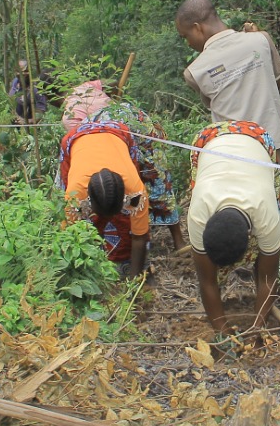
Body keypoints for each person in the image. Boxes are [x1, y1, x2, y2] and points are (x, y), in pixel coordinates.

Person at [176, 0, 280, 240]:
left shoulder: (194, 71)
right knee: (269, 198)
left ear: (198, 28)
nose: (188, 42)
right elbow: (277, 79)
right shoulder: (260, 40)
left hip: (232, 154)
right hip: (272, 145)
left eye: (186, 36)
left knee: (246, 203)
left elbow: (215, 99)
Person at [186, 120, 280, 344]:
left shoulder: (267, 216)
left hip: (258, 137)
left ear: (251, 235)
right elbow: (207, 281)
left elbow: (270, 279)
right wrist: (222, 329)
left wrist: (258, 327)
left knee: (266, 260)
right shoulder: (198, 215)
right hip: (207, 141)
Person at [63, 80, 186, 250]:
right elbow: (70, 234)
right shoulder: (74, 190)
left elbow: (139, 234)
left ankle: (178, 240)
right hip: (107, 131)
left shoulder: (134, 188)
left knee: (156, 176)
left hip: (135, 125)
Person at [57, 121, 150, 278]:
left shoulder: (136, 191)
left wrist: (134, 280)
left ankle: (127, 264)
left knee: (128, 223)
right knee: (77, 224)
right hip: (75, 139)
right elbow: (69, 237)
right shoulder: (75, 194)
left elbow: (139, 236)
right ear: (89, 201)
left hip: (119, 134)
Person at [10, 58, 49, 125]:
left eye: (26, 71)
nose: (22, 74)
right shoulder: (15, 82)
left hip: (32, 129)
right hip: (16, 127)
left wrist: (26, 122)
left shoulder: (36, 88)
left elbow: (40, 114)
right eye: (19, 71)